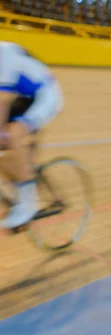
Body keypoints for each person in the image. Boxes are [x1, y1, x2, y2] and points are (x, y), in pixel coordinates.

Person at [0, 42, 63, 229]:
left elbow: (2, 104)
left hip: (47, 96)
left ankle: (27, 204)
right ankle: (21, 172)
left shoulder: (3, 55)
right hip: (25, 98)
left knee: (12, 134)